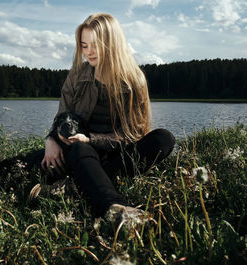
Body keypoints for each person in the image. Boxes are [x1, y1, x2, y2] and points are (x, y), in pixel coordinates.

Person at [32, 13, 175, 222]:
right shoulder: (77, 75)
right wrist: (51, 139)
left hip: (118, 154)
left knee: (164, 139)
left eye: (95, 45)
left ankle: (75, 185)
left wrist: (92, 139)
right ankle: (114, 207)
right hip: (80, 152)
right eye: (84, 45)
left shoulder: (134, 80)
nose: (89, 52)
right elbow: (62, 116)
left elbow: (134, 133)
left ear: (112, 43)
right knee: (20, 164)